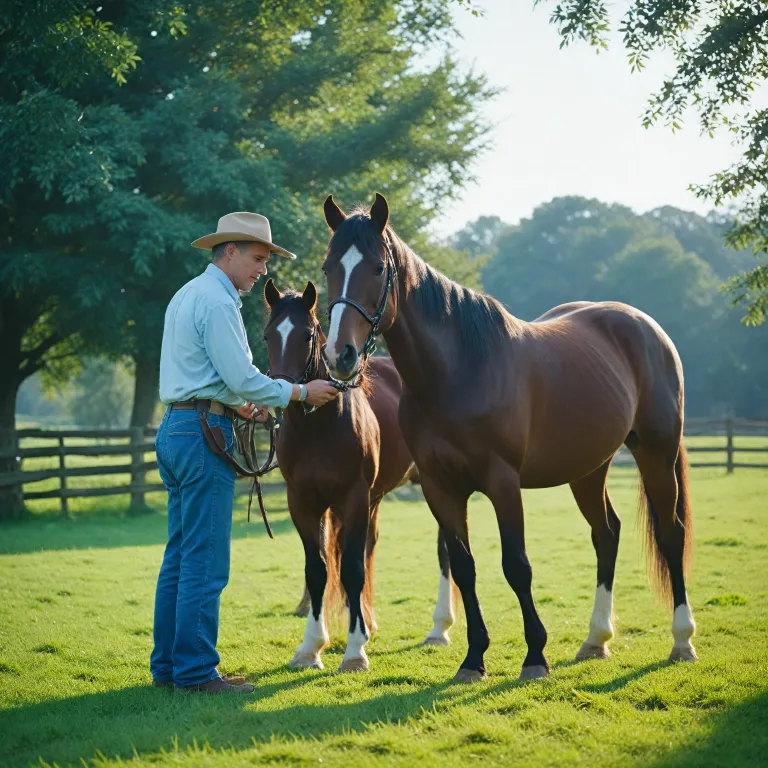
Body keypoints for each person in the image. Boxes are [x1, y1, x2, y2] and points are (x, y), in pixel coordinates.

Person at [151, 212, 339, 694]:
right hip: (202, 433)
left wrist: (238, 404)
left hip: (177, 427)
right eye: (257, 259)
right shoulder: (218, 302)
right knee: (205, 560)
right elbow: (242, 377)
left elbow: (210, 375)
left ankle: (169, 668)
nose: (262, 270)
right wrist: (300, 393)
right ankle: (197, 673)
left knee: (179, 556)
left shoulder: (187, 294)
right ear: (230, 251)